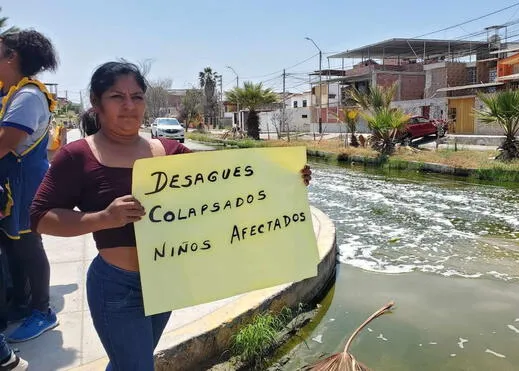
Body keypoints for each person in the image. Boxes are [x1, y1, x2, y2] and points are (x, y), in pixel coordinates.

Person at [30, 61, 312, 370]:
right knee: (136, 366)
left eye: (137, 97)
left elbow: (228, 188)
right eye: (116, 97)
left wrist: (286, 179)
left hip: (164, 281)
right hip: (116, 287)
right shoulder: (79, 155)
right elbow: (41, 217)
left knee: (130, 363)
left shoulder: (169, 152)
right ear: (96, 103)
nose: (129, 105)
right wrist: (104, 218)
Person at [0, 29, 58, 343]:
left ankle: (43, 311)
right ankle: (21, 305)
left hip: (23, 184)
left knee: (27, 246)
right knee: (13, 246)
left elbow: (5, 143)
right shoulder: (10, 92)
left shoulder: (27, 97)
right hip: (12, 183)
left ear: (12, 57)